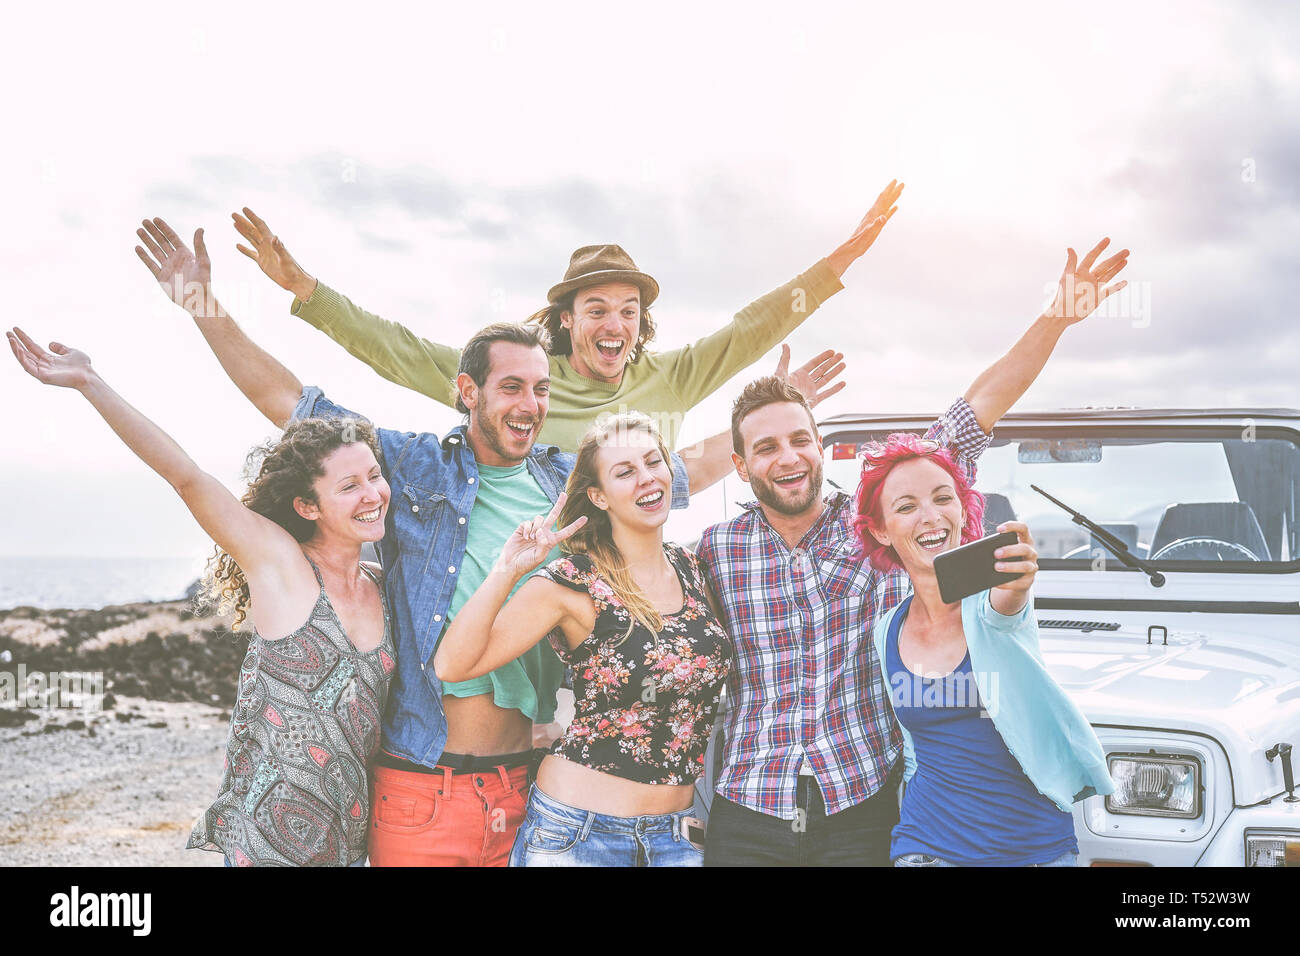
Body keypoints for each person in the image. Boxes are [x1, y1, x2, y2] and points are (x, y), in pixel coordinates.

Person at [132, 216, 836, 865]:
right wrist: (201, 305)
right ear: (467, 391)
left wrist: (773, 411)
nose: (530, 404)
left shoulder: (569, 486)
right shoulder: (411, 470)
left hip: (527, 792)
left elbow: (679, 471)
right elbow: (290, 404)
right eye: (510, 388)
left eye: (539, 389)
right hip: (424, 789)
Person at [697, 238, 1130, 866]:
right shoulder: (716, 553)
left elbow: (977, 408)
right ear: (739, 465)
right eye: (765, 448)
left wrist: (1056, 316)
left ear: (821, 446)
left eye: (800, 439)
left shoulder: (881, 515)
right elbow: (639, 506)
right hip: (749, 809)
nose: (787, 458)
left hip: (861, 805)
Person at [6, 328, 392, 867]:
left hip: (353, 849)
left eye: (375, 476)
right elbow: (186, 476)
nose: (373, 494)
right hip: (267, 848)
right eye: (349, 486)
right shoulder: (282, 565)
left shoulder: (385, 586)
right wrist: (91, 383)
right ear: (307, 506)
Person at [226, 180, 899, 456]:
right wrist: (306, 290)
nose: (617, 325)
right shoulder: (517, 382)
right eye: (599, 310)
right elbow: (397, 350)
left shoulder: (673, 378)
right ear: (568, 320)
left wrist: (839, 261)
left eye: (630, 312)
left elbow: (756, 327)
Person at [434, 413, 731, 866]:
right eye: (624, 472)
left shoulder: (693, 569)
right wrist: (508, 569)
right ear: (598, 496)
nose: (646, 478)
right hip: (579, 834)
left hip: (677, 837)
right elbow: (453, 665)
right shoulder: (572, 582)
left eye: (654, 462)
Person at [856, 433, 1113, 866]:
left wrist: (1018, 581)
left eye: (944, 498)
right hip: (927, 848)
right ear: (881, 530)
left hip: (1034, 851)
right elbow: (916, 748)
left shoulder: (993, 604)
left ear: (963, 509)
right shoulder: (888, 629)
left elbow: (1006, 608)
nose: (931, 516)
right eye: (906, 507)